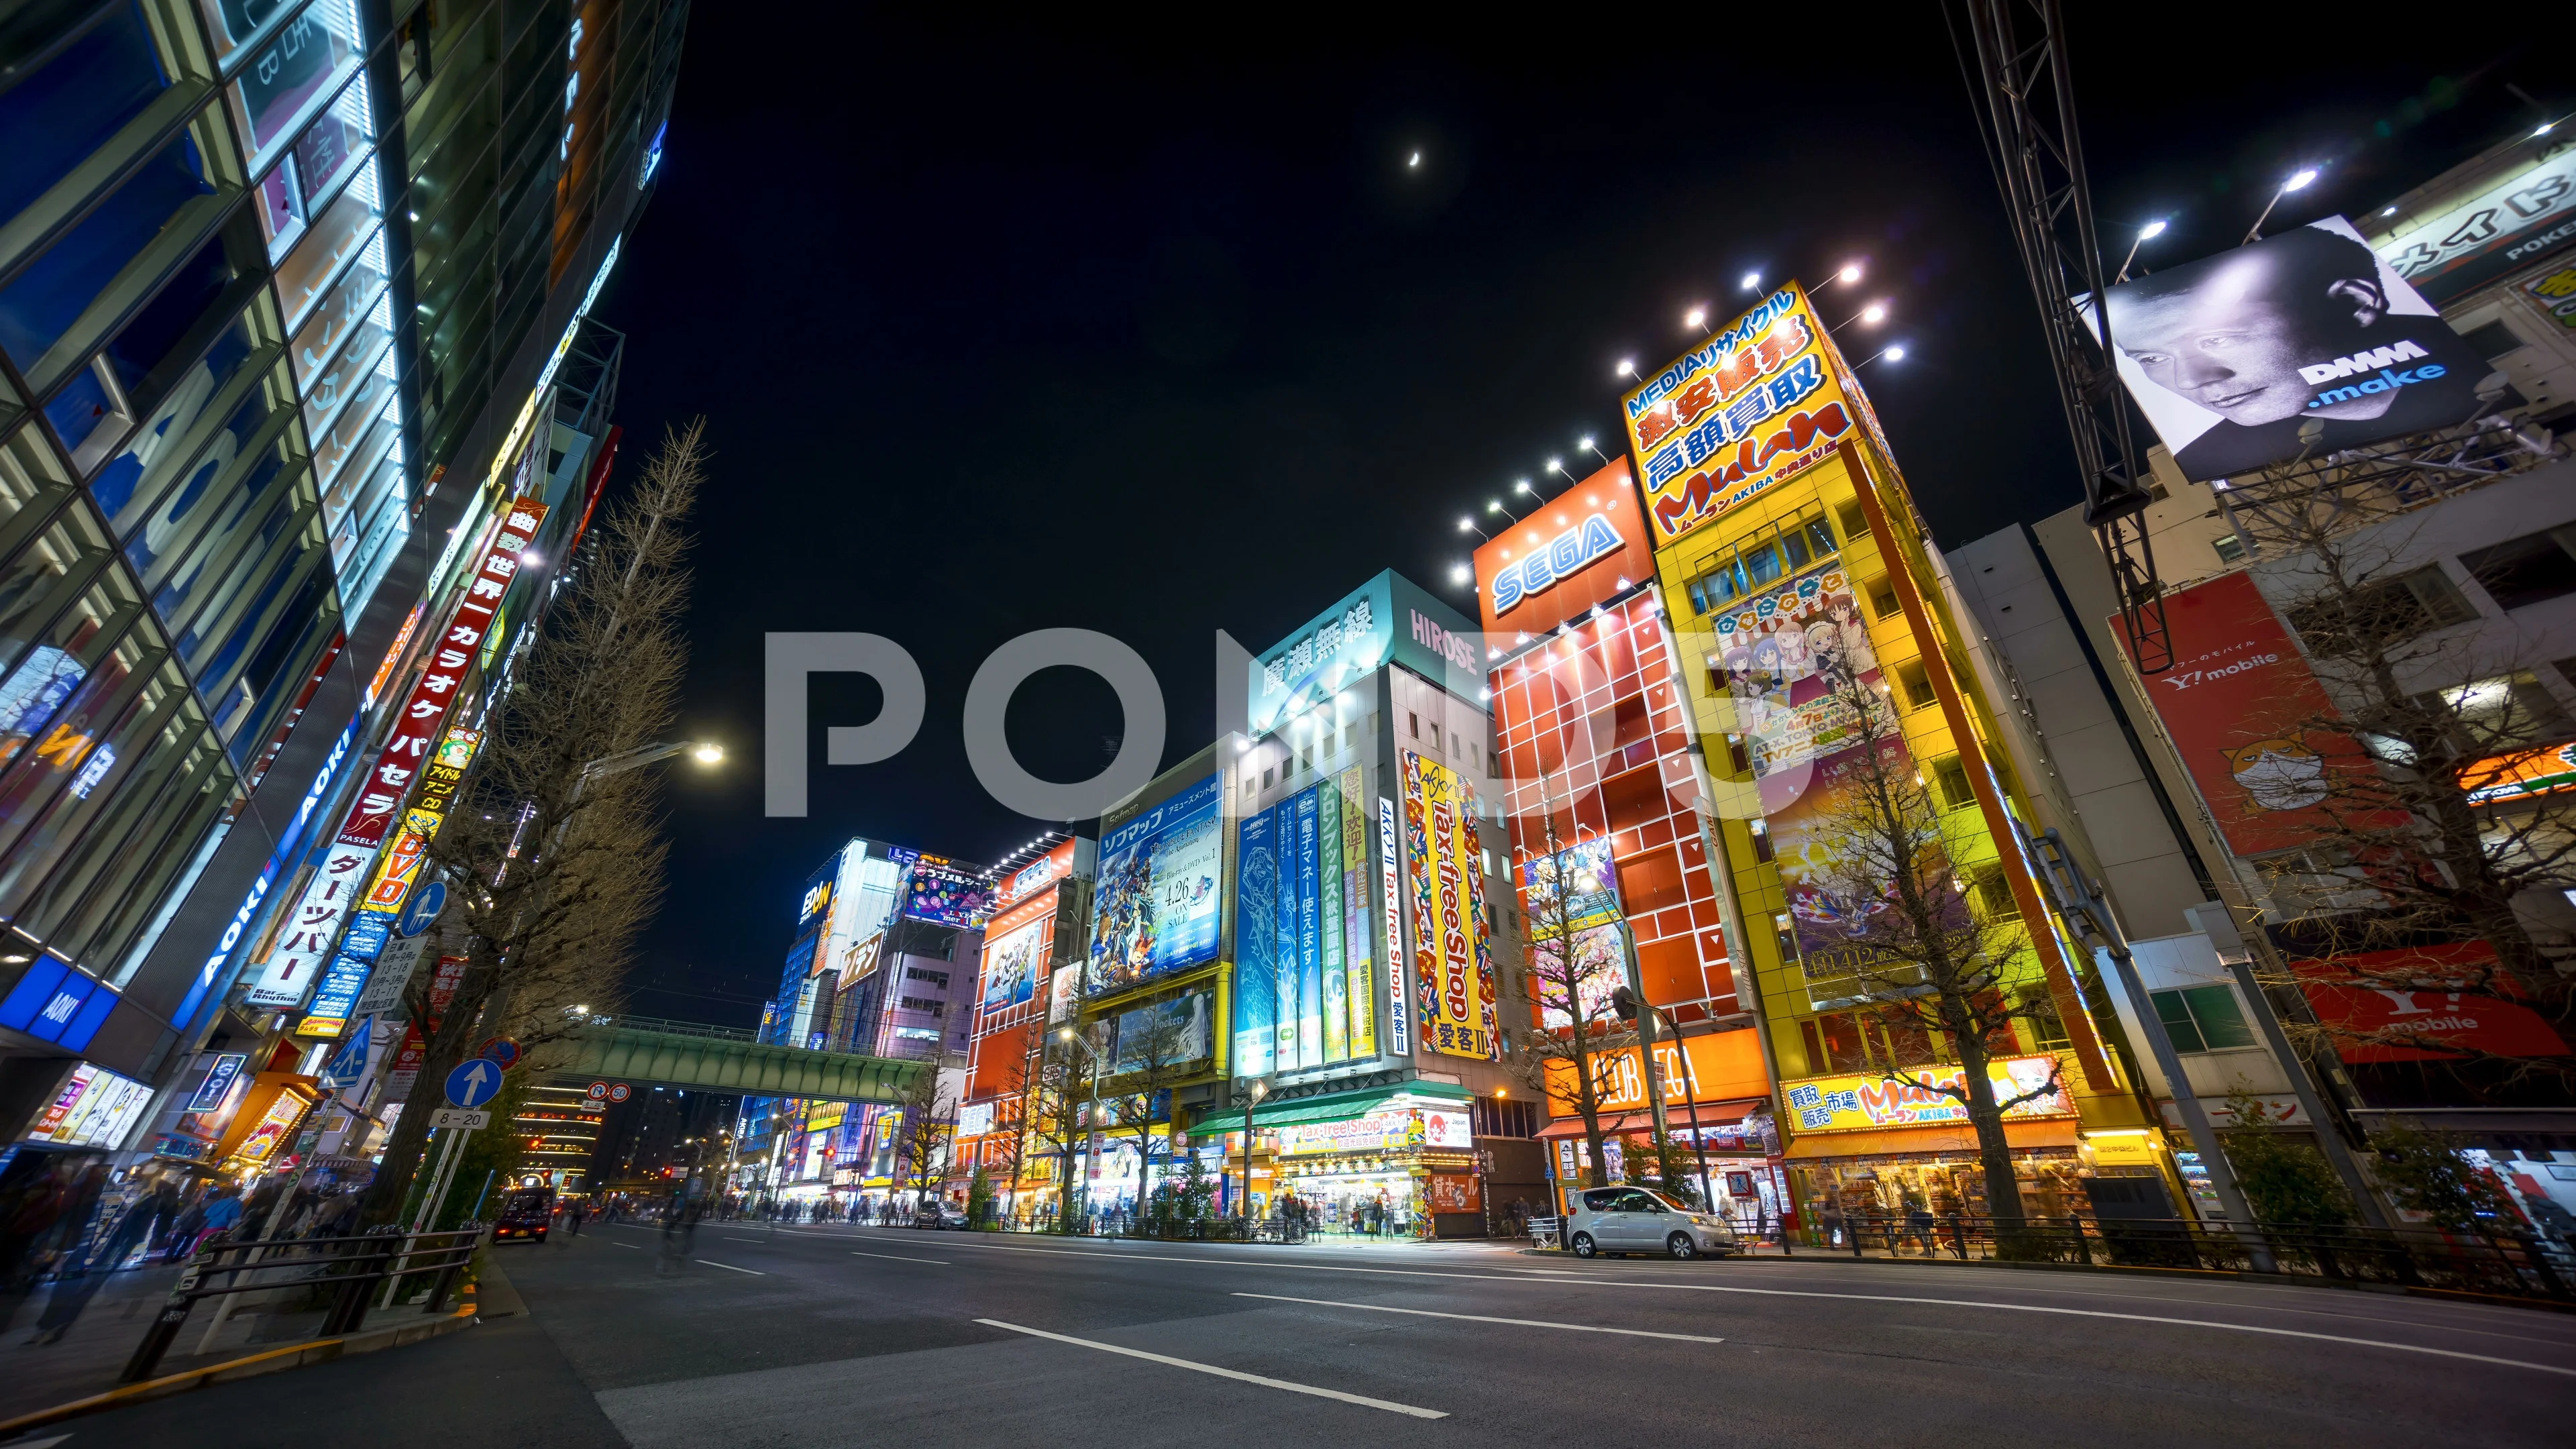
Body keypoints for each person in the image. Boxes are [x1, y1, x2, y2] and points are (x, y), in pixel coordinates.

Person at [2102, 220, 2490, 481]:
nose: (2190, 379)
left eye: (2217, 339)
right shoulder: (2215, 453)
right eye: (2151, 359)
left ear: (2356, 303)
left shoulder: (2471, 371)